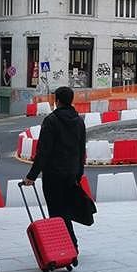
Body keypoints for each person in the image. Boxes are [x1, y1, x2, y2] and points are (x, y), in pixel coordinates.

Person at [24, 86, 87, 253]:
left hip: (53, 174)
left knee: (56, 211)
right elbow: (82, 149)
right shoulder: (79, 121)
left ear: (56, 101)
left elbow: (43, 151)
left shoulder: (51, 121)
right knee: (65, 209)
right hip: (72, 172)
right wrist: (79, 173)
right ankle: (70, 244)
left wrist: (32, 175)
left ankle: (68, 246)